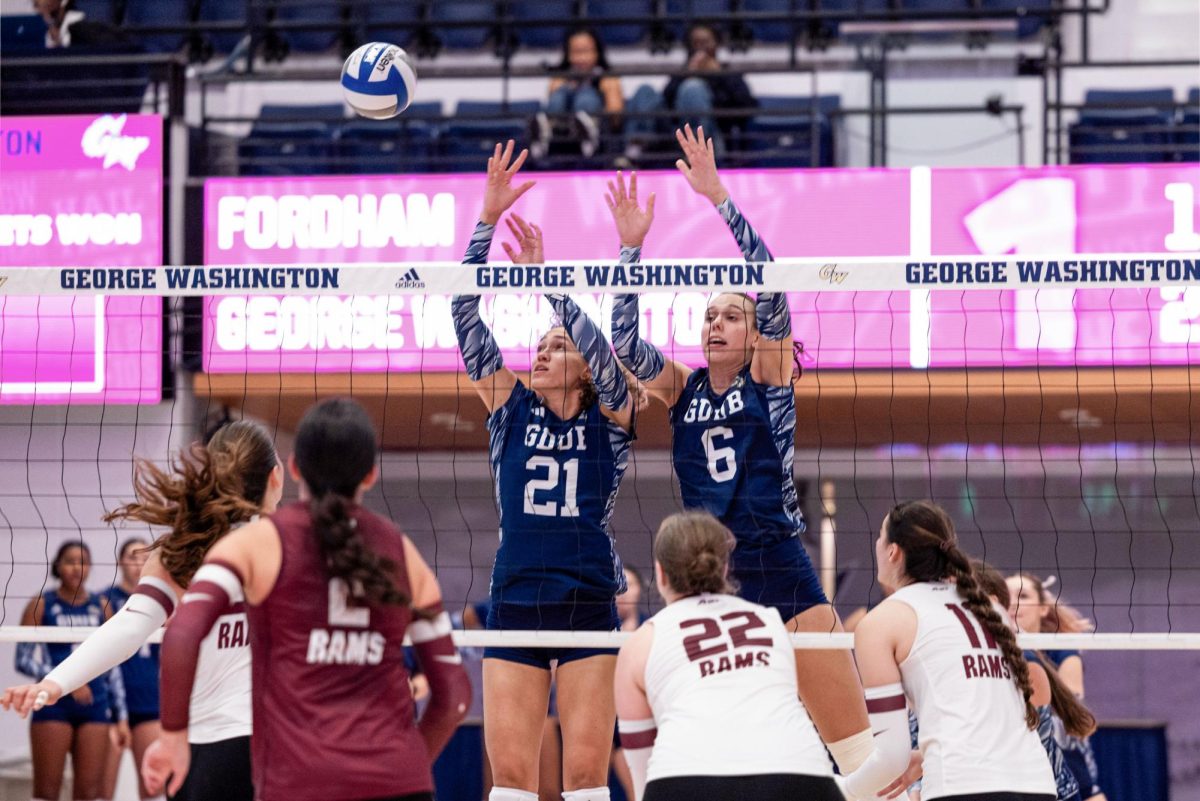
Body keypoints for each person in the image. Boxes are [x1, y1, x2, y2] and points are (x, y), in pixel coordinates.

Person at [608, 127, 874, 777]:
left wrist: (719, 197)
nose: (715, 324)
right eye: (708, 317)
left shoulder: (770, 378)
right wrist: (630, 249)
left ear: (755, 334)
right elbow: (621, 336)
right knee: (723, 736)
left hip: (777, 555)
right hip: (706, 572)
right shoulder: (680, 386)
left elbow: (773, 286)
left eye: (731, 315)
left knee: (858, 749)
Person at [141, 398, 471, 801]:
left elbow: (181, 636)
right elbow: (454, 695)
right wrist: (410, 763)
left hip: (299, 780)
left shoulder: (257, 544)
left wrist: (173, 738)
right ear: (370, 475)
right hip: (397, 780)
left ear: (294, 468)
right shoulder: (404, 553)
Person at [451, 140, 637, 801]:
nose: (543, 350)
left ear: (584, 365)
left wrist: (548, 285)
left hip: (588, 597)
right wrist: (485, 221)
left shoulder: (612, 410)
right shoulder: (509, 404)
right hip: (517, 594)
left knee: (587, 779)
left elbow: (600, 347)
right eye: (540, 344)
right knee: (511, 782)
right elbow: (464, 312)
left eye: (557, 346)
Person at [2, 419, 285, 801]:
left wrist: (55, 683)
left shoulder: (182, 550)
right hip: (277, 744)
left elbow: (129, 629)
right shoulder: (296, 548)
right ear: (277, 477)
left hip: (197, 747)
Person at [613, 511, 841, 801]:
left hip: (686, 779)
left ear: (660, 573)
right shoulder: (771, 621)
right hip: (800, 776)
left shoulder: (641, 642)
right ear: (724, 568)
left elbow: (641, 774)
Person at [843, 500, 1056, 800]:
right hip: (1037, 785)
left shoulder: (881, 622)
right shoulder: (991, 608)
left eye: (880, 536)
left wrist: (839, 790)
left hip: (963, 787)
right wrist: (926, 754)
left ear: (892, 551)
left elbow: (892, 757)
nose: (876, 544)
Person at [12, 540, 128, 801]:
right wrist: (66, 681)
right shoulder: (42, 604)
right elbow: (23, 659)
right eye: (71, 561)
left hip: (96, 703)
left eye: (84, 561)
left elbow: (113, 664)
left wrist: (120, 715)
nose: (78, 568)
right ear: (58, 566)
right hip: (54, 704)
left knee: (89, 793)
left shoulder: (101, 605)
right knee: (47, 791)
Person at [1007, 573, 1106, 801]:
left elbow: (1067, 725)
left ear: (1043, 608)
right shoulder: (992, 648)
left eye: (1023, 595)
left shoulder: (1064, 651)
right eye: (1007, 596)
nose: (1013, 602)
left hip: (1068, 760)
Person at [626, 24, 755, 153]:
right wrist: (688, 73)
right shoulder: (683, 72)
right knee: (645, 90)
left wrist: (718, 74)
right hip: (675, 136)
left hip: (712, 139)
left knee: (693, 89)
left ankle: (695, 151)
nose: (700, 48)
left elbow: (747, 107)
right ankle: (635, 150)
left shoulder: (728, 73)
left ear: (716, 44)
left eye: (705, 42)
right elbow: (667, 101)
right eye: (695, 43)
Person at [100, 538, 161, 801]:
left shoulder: (161, 601)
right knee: (102, 790)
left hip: (150, 703)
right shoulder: (105, 601)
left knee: (153, 788)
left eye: (144, 558)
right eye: (132, 556)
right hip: (112, 708)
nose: (138, 564)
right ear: (119, 561)